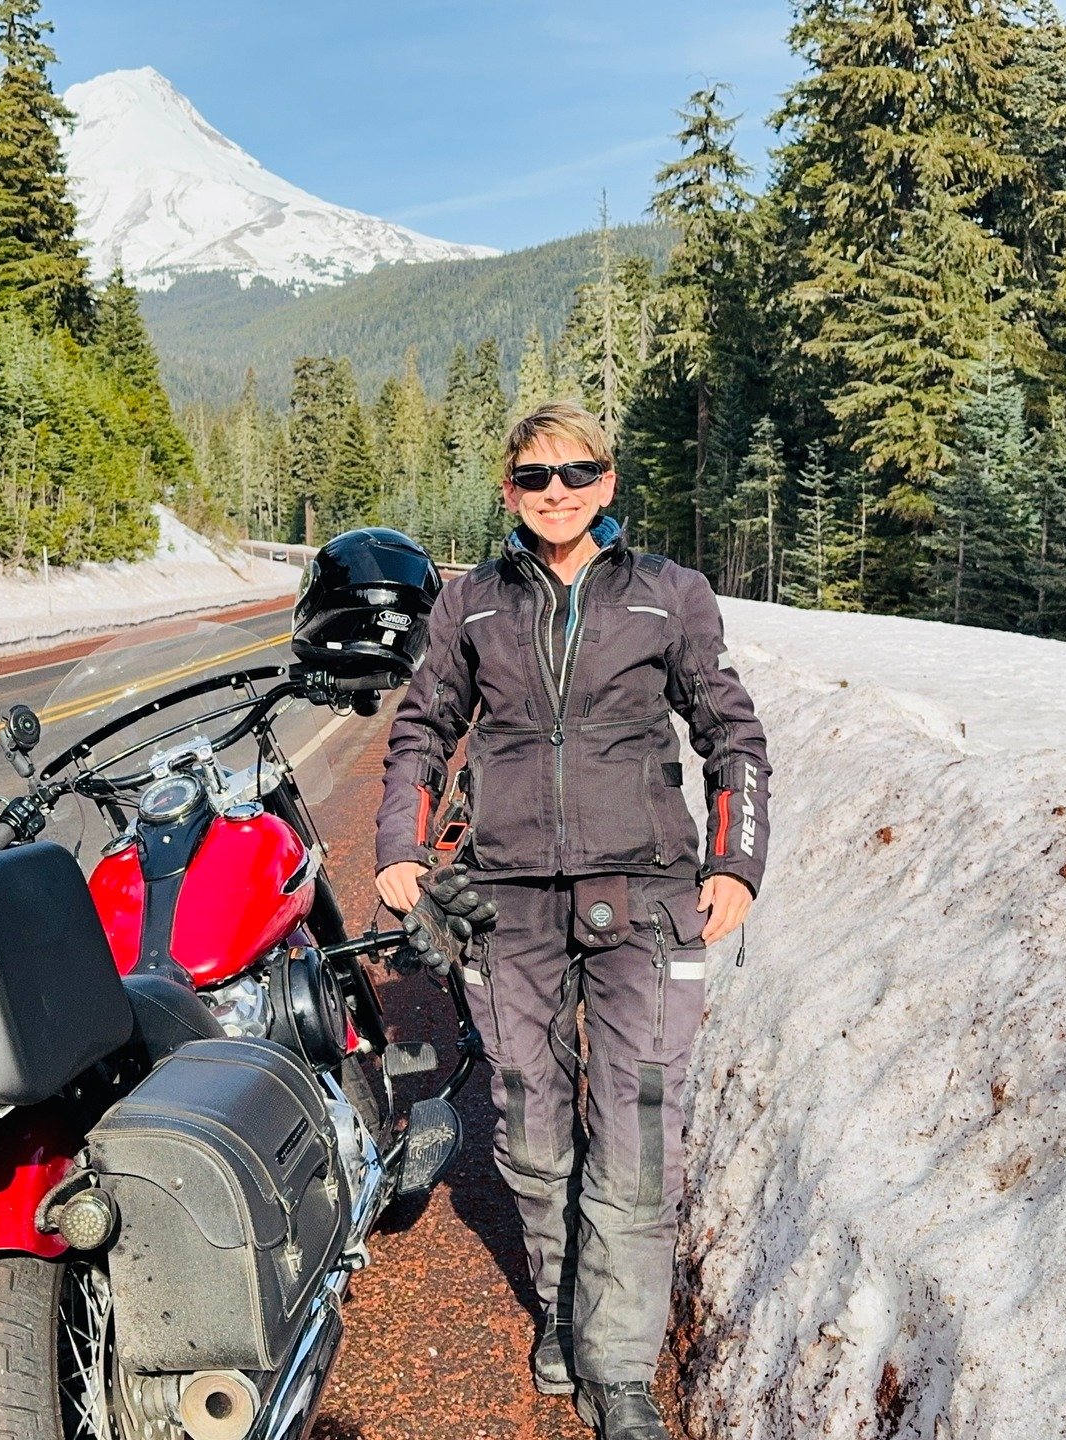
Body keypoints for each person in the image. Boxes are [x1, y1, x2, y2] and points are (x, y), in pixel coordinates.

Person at [374, 401, 771, 1440]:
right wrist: (399, 850)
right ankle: (561, 1310)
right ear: (507, 491)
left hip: (645, 897)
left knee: (639, 1126)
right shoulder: (469, 604)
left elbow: (732, 732)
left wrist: (735, 862)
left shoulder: (668, 596)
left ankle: (623, 1365)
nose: (558, 493)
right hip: (508, 904)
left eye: (578, 473)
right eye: (536, 478)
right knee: (533, 1126)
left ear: (610, 481)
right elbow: (420, 731)